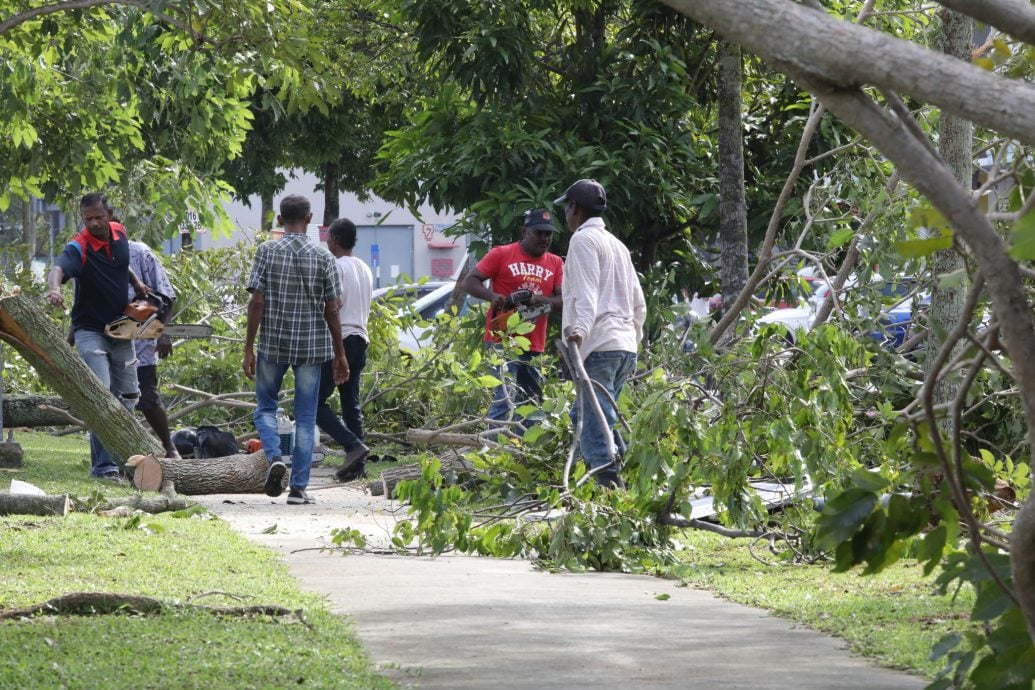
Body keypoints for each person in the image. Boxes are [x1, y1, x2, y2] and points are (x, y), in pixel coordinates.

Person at [244, 195, 348, 505]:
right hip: (311, 348)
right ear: (310, 218)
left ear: (279, 220)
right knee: (305, 417)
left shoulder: (266, 251)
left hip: (273, 344)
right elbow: (332, 309)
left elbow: (257, 302)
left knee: (264, 407)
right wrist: (340, 353)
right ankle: (299, 489)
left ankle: (275, 455)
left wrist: (249, 347)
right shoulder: (323, 256)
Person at [47, 192, 150, 481]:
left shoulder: (119, 233)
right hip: (90, 330)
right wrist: (55, 289)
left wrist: (136, 281)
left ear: (110, 215)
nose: (92, 224)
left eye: (98, 218)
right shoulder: (78, 247)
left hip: (121, 328)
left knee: (128, 396)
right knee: (101, 393)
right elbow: (58, 269)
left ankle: (123, 461)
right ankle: (103, 468)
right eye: (87, 219)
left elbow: (120, 261)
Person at [554, 180, 646, 488]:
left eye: (566, 208)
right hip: (623, 345)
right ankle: (627, 475)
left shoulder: (583, 241)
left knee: (593, 422)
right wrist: (634, 338)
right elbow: (639, 302)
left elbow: (587, 293)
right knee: (595, 415)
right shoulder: (616, 244)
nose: (565, 216)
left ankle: (608, 489)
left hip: (600, 341)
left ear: (575, 209)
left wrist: (578, 330)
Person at [462, 208, 563, 429]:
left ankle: (524, 452)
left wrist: (536, 299)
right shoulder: (502, 253)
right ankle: (493, 452)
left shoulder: (555, 262)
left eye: (549, 234)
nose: (545, 239)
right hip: (502, 340)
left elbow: (563, 301)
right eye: (539, 233)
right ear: (525, 231)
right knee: (504, 397)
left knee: (531, 401)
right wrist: (492, 296)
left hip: (534, 342)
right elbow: (470, 281)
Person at [315, 218, 375, 482]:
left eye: (328, 238)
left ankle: (352, 446)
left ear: (335, 240)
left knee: (315, 403)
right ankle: (357, 466)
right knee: (351, 402)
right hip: (361, 337)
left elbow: (335, 304)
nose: (327, 242)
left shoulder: (336, 266)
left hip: (342, 339)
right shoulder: (363, 267)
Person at [127, 237, 180, 459]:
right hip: (104, 338)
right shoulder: (89, 252)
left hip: (140, 338)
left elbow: (166, 295)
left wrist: (163, 332)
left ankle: (170, 449)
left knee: (147, 397)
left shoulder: (139, 252)